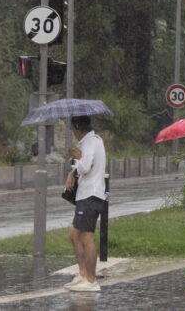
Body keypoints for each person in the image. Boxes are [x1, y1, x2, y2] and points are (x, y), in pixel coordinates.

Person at [62, 115, 107, 292]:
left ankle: (91, 279)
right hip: (86, 195)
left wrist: (77, 157)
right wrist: (72, 168)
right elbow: (81, 164)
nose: (73, 133)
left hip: (91, 194)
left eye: (73, 129)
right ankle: (82, 274)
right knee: (74, 234)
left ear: (78, 128)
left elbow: (86, 166)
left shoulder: (91, 142)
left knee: (86, 236)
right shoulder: (89, 142)